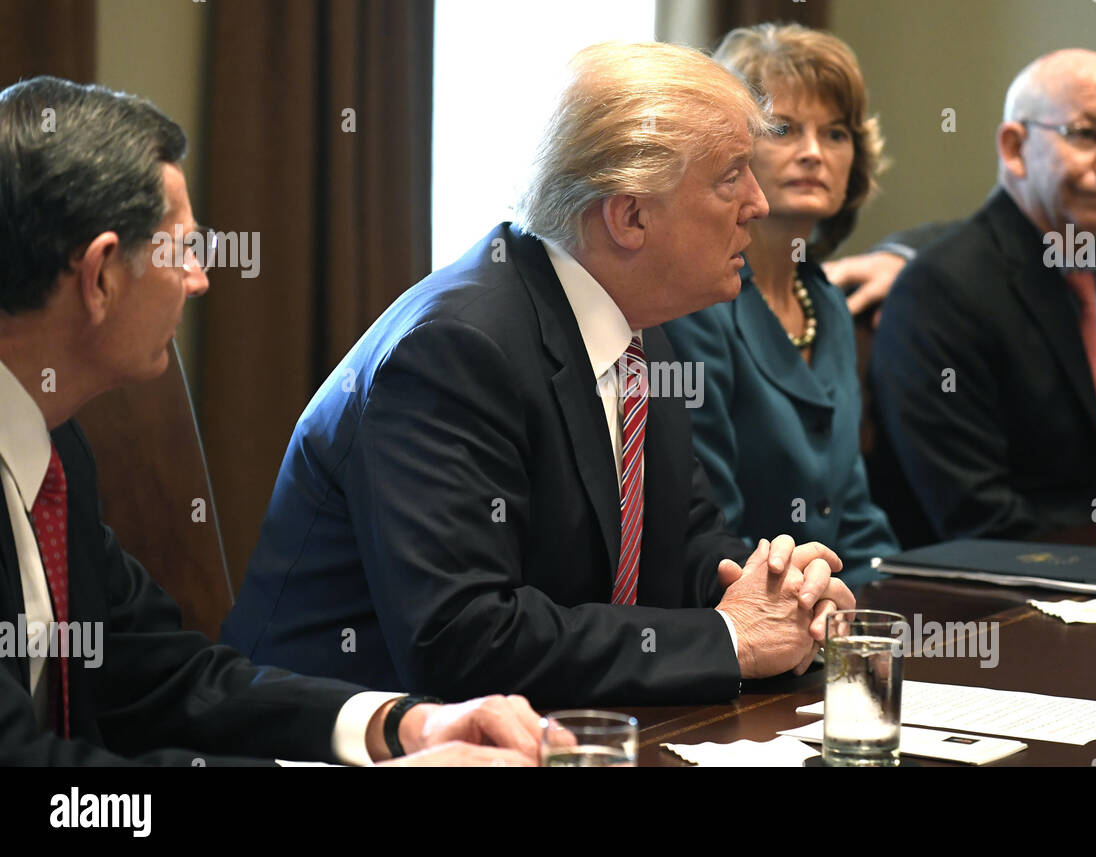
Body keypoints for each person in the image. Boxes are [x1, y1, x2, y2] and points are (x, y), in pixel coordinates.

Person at [221, 42, 854, 706]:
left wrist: (775, 591)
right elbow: (464, 640)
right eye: (731, 176)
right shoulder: (455, 350)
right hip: (335, 743)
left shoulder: (638, 327)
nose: (758, 202)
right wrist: (730, 638)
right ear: (630, 215)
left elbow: (684, 539)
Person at [0, 76, 543, 766]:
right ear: (102, 273)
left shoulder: (54, 447)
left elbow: (171, 678)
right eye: (182, 250)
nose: (200, 278)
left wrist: (403, 725)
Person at [869, 50, 1096, 547]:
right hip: (997, 606)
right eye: (1088, 135)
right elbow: (978, 520)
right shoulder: (941, 293)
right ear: (1014, 147)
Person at [662, 23, 896, 591]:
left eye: (836, 134)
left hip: (837, 610)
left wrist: (892, 612)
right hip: (738, 613)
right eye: (785, 129)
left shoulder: (828, 303)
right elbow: (708, 528)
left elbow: (855, 515)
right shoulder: (696, 306)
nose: (814, 153)